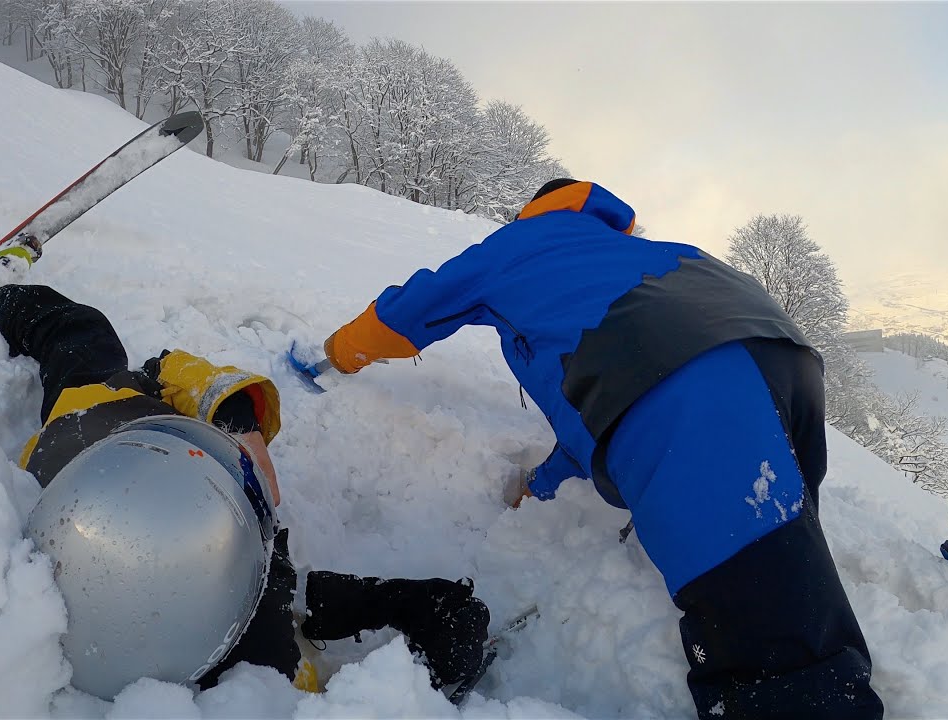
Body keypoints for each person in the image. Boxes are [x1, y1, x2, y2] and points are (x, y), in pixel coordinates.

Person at [321, 179, 884, 719]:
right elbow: (594, 425)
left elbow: (411, 309)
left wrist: (335, 354)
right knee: (782, 550)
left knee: (779, 651)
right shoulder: (624, 249)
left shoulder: (517, 244)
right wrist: (542, 488)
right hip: (780, 359)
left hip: (678, 382)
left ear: (531, 209)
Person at [0, 237, 490, 700]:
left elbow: (169, 368)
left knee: (78, 331)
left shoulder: (89, 466)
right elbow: (327, 600)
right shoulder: (262, 639)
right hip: (127, 446)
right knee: (82, 332)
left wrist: (235, 417)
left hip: (106, 432)